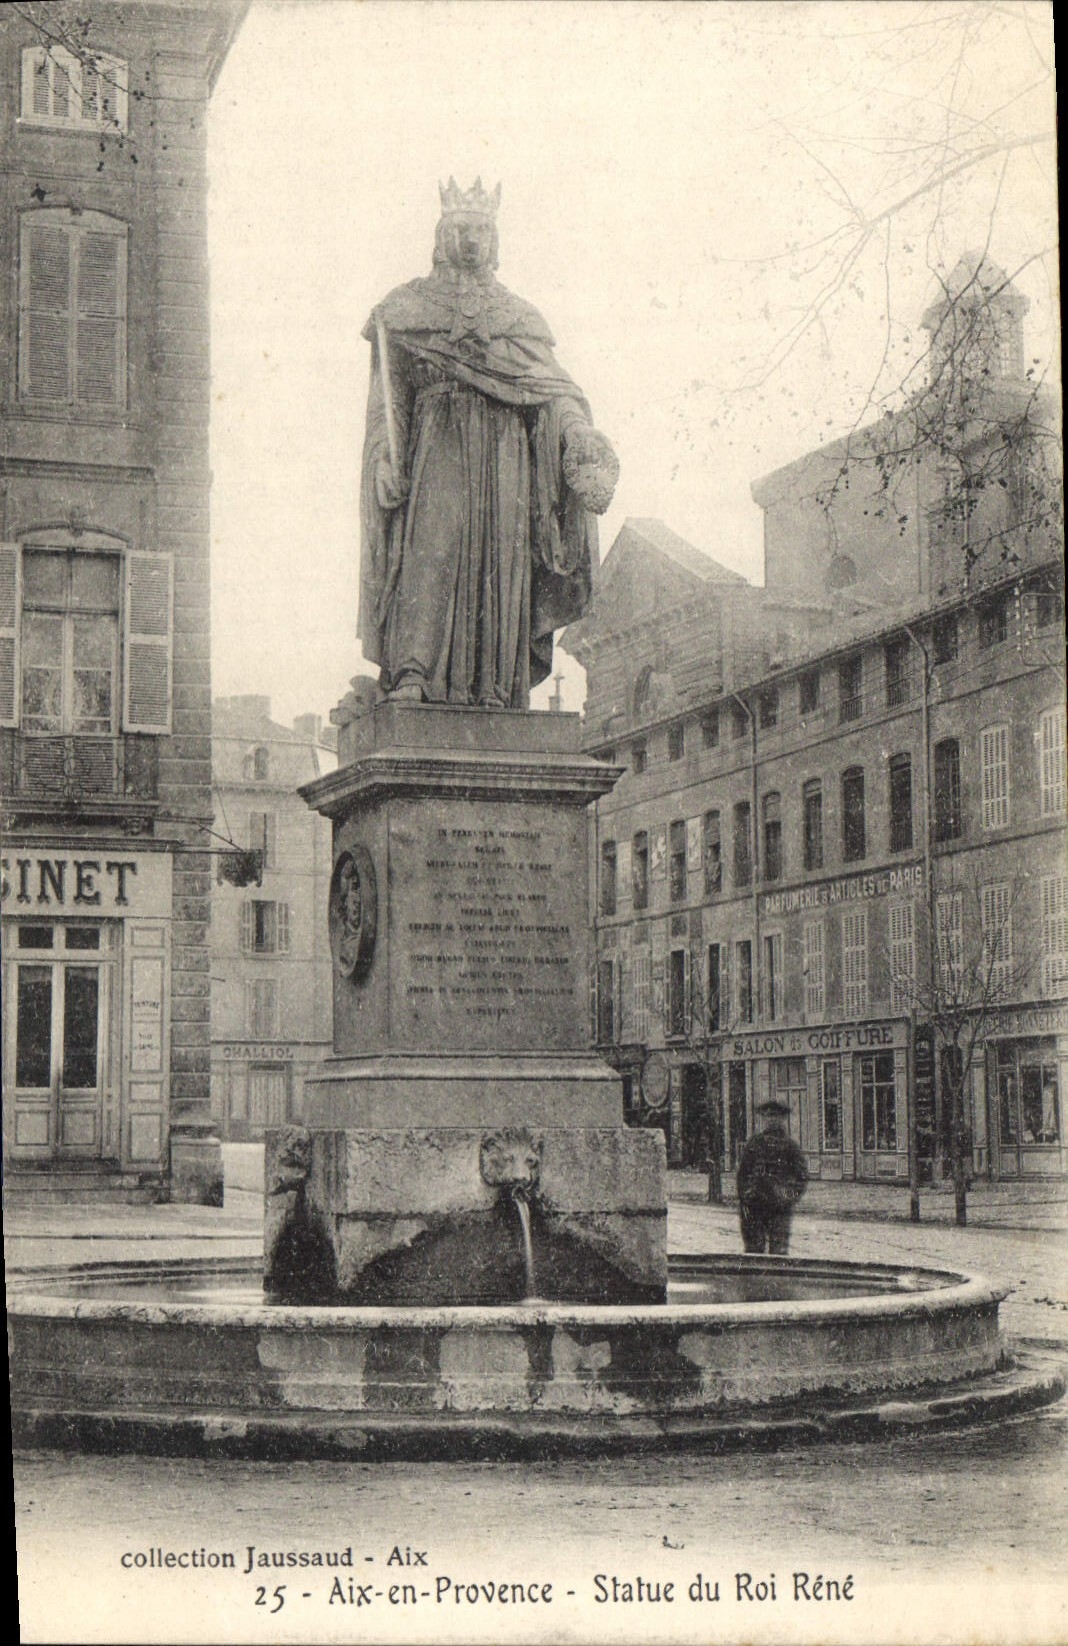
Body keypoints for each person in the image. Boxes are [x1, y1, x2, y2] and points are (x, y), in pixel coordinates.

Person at [358, 178, 618, 709]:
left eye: (481, 230)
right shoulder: (405, 310)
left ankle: (497, 686)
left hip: (506, 460)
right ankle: (414, 671)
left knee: (502, 564)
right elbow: (388, 403)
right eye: (460, 229)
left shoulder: (519, 319)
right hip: (437, 450)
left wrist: (577, 434)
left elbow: (554, 392)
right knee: (430, 554)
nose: (471, 240)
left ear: (494, 240)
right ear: (441, 236)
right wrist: (386, 455)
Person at [736, 1100, 808, 1255]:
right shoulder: (754, 1144)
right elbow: (743, 1175)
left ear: (783, 1120)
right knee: (753, 1253)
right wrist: (746, 1198)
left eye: (776, 1117)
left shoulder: (790, 1147)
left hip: (779, 1209)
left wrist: (787, 1198)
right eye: (769, 1117)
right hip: (755, 1208)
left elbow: (801, 1178)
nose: (772, 1120)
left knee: (779, 1255)